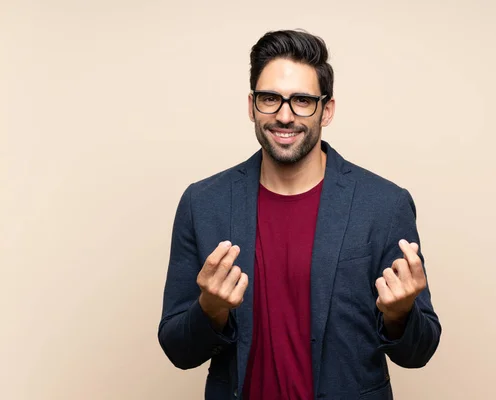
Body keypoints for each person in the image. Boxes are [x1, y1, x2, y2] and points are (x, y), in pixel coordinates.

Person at [158, 29, 442, 400]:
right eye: (270, 99)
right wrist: (209, 310)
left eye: (303, 101)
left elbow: (419, 352)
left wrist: (400, 315)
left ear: (327, 110)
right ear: (251, 105)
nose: (285, 116)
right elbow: (177, 349)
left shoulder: (385, 205)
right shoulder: (203, 203)